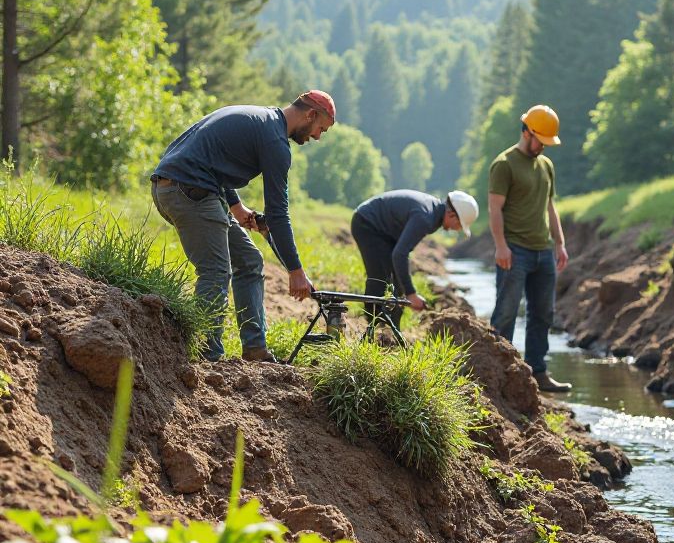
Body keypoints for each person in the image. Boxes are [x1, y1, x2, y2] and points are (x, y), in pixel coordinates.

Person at [150, 91, 335, 362]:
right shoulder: (275, 142)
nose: (318, 137)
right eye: (321, 129)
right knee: (215, 271)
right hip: (188, 190)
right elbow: (278, 214)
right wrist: (296, 271)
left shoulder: (262, 120)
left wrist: (236, 208)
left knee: (249, 260)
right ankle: (206, 356)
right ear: (311, 114)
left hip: (177, 187)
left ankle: (255, 349)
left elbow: (212, 161)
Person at [488, 104, 571, 393]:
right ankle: (500, 374)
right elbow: (494, 209)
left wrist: (559, 243)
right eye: (541, 141)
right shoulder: (504, 164)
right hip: (515, 251)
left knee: (543, 314)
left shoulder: (546, 166)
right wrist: (501, 246)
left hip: (543, 251)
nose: (543, 147)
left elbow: (550, 206)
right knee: (506, 313)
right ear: (527, 132)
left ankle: (538, 372)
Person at [351, 189, 479, 329]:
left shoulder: (433, 212)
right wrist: (411, 294)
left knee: (397, 283)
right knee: (379, 278)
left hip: (384, 231)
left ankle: (392, 329)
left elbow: (400, 254)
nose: (458, 229)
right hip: (367, 223)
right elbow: (400, 254)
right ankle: (372, 330)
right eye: (460, 225)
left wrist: (406, 290)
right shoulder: (425, 217)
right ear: (451, 214)